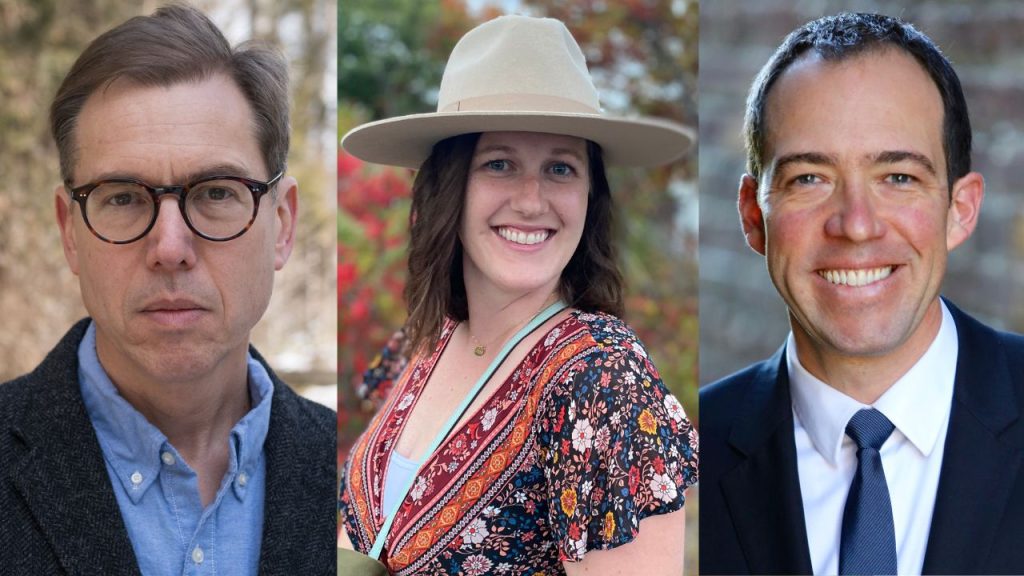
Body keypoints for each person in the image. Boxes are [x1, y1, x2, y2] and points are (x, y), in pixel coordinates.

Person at [338, 14, 699, 575]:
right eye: (500, 164)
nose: (532, 201)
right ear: (448, 188)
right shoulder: (425, 339)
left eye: (560, 168)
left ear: (589, 195)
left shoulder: (601, 382)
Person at [0, 5, 335, 574]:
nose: (171, 247)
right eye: (124, 198)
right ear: (69, 232)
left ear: (282, 226)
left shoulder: (357, 470)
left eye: (216, 192)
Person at [699, 12, 1024, 575]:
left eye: (898, 177)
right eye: (809, 178)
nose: (856, 224)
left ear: (960, 209)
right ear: (754, 216)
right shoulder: (682, 456)